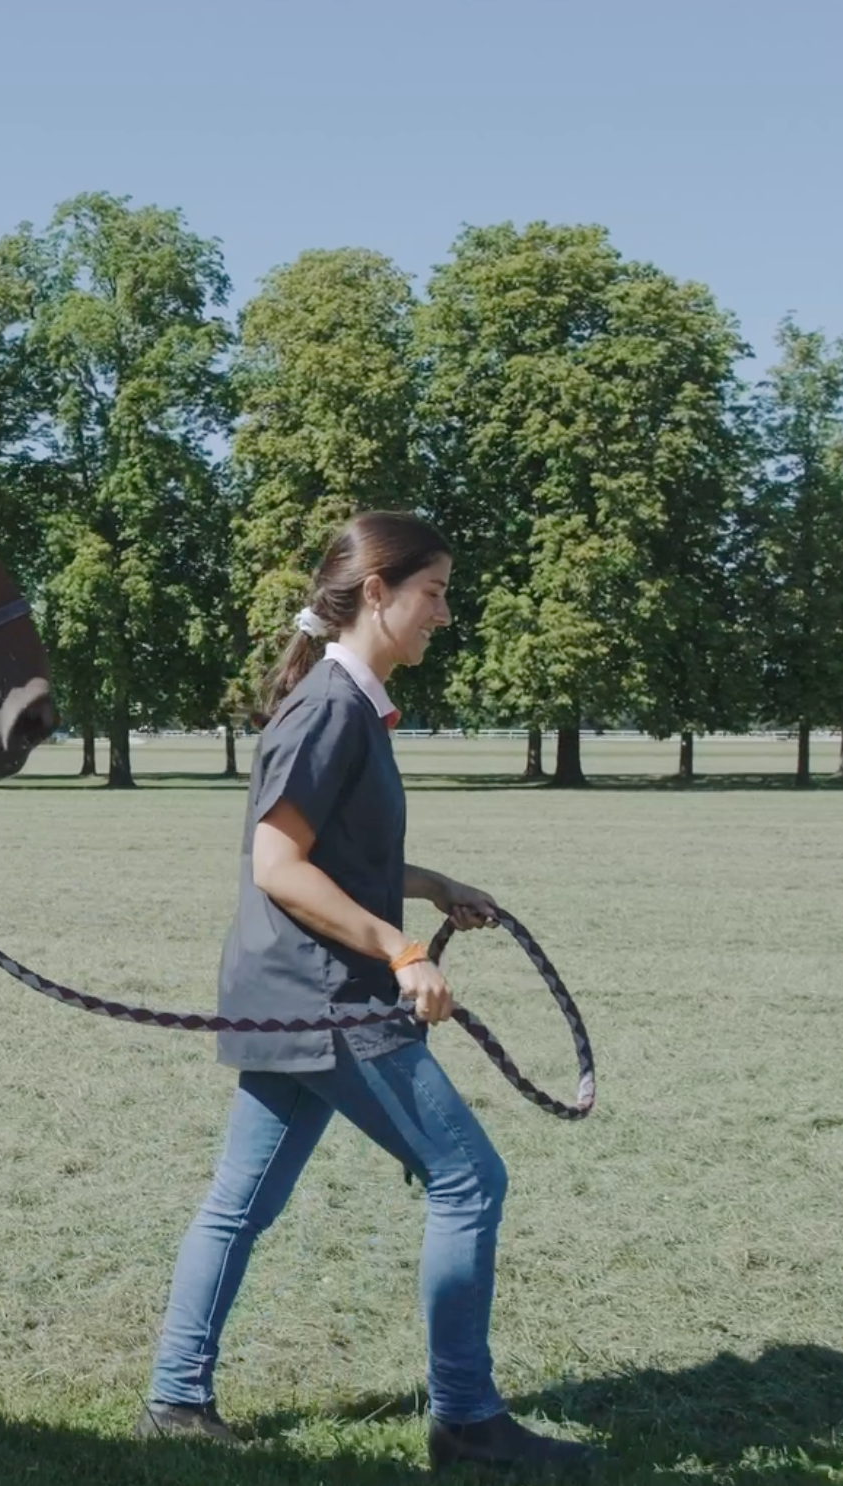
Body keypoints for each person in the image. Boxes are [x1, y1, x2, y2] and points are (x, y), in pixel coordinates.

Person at [134, 511, 594, 1471]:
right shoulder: (331, 707)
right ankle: (467, 1420)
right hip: (328, 997)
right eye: (435, 592)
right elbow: (277, 863)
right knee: (470, 1180)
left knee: (240, 1201)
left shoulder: (347, 701)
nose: (446, 613)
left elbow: (335, 851)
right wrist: (400, 949)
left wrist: (430, 887)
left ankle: (176, 1401)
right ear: (377, 592)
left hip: (296, 993)